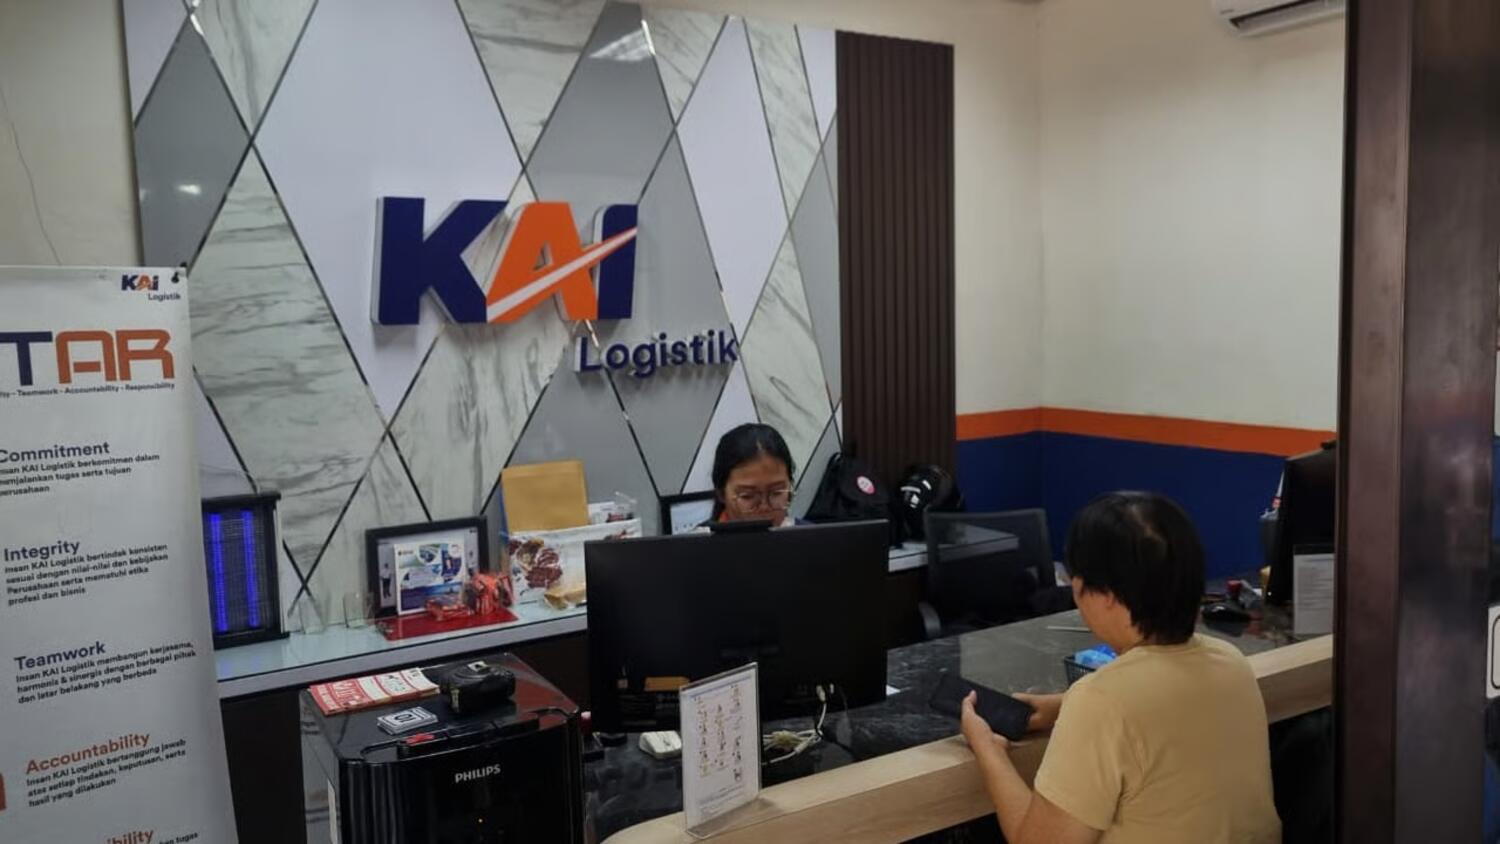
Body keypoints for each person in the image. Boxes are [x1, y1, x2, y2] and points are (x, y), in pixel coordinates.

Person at [959, 491, 1280, 844]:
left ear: (1107, 596)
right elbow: (1161, 706)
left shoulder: (1101, 702)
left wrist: (988, 751)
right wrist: (1062, 706)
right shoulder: (1230, 662)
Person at [708, 423, 797, 527]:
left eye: (776, 493)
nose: (764, 507)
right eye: (748, 496)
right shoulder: (698, 537)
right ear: (722, 494)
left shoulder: (811, 536)